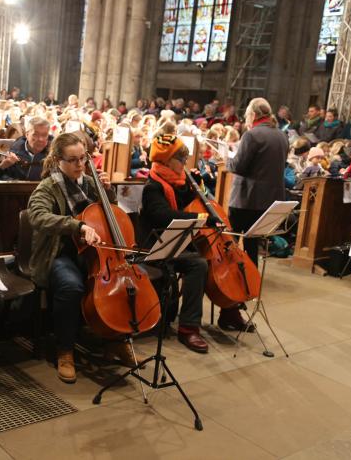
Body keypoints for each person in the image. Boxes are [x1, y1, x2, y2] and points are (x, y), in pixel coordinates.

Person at [27, 132, 136, 383]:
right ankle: (65, 349)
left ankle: (114, 340)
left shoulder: (89, 182)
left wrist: (108, 193)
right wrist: (77, 226)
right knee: (71, 286)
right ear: (58, 160)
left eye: (83, 159)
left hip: (95, 253)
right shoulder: (48, 187)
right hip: (59, 253)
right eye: (73, 160)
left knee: (118, 286)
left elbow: (109, 215)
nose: (79, 165)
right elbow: (38, 216)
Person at [138, 131, 219, 353]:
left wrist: (197, 186)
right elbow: (164, 215)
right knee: (198, 264)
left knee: (202, 262)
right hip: (155, 245)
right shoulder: (152, 186)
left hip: (176, 242)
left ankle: (190, 326)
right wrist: (201, 219)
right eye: (181, 159)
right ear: (166, 160)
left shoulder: (177, 181)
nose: (184, 163)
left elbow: (182, 203)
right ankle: (186, 328)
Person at [226, 98, 289, 265]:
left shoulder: (252, 135)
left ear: (253, 114)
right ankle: (251, 278)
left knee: (231, 240)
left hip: (246, 199)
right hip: (268, 201)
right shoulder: (282, 135)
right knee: (252, 243)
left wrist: (226, 158)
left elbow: (238, 167)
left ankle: (231, 277)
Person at [0, 116, 52, 180]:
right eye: (35, 134)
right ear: (27, 134)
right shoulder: (15, 151)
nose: (40, 139)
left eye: (44, 135)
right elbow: (3, 176)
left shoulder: (54, 154)